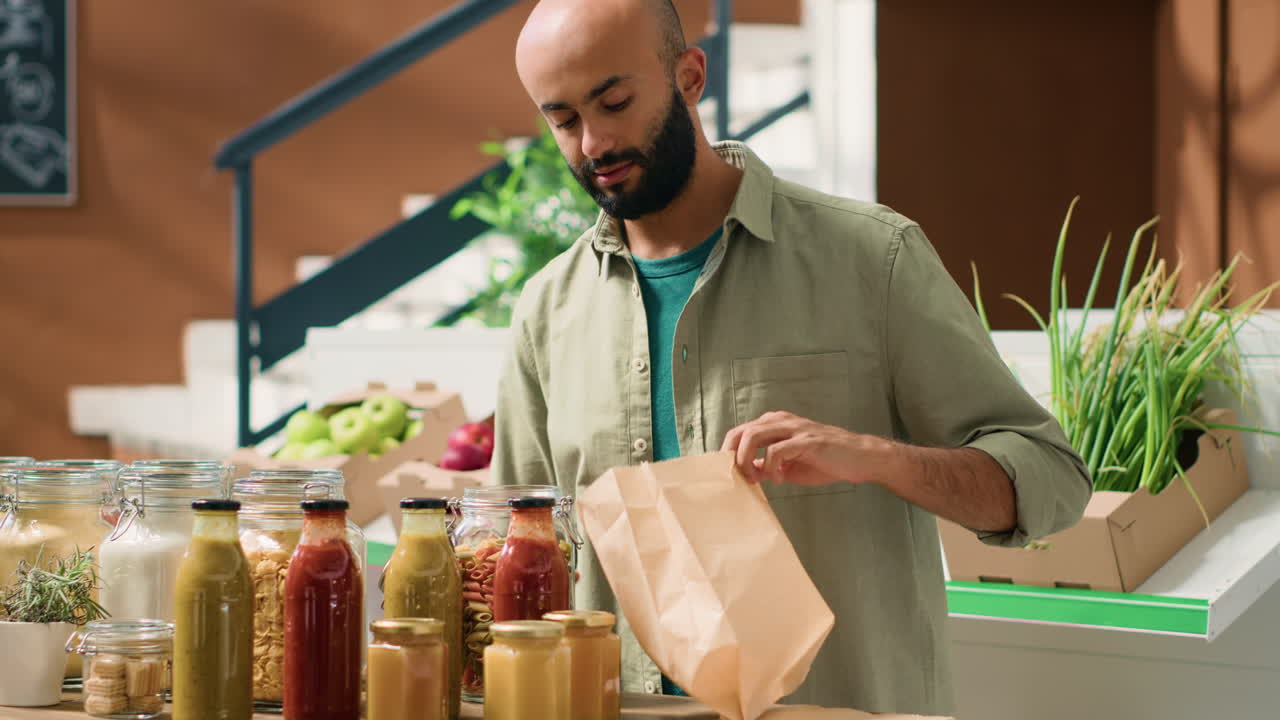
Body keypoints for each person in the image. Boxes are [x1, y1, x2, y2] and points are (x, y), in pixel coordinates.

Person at [492, 0, 1092, 714]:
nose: (592, 142)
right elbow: (515, 552)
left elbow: (1052, 481)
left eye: (614, 101)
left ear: (689, 76)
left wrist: (875, 457)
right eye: (562, 120)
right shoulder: (546, 310)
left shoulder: (874, 259)